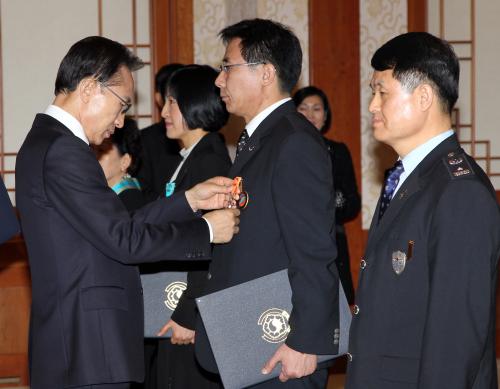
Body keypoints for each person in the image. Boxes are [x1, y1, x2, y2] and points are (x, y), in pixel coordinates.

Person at [15, 36, 240, 389]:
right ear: (90, 88)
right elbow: (124, 240)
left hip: (79, 344)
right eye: (121, 106)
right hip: (87, 346)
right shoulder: (64, 150)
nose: (120, 123)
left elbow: (115, 227)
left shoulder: (47, 141)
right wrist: (207, 231)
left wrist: (188, 201)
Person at [345, 32, 500, 389]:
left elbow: (454, 340)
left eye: (382, 92)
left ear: (424, 97)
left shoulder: (459, 192)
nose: (372, 105)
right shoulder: (409, 176)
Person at [194, 19, 339, 388]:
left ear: (265, 73)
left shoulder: (294, 142)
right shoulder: (261, 138)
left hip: (281, 346)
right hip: (250, 336)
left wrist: (304, 341)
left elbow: (314, 251)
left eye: (228, 67)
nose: (219, 79)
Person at [153, 64, 231, 388]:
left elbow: (213, 242)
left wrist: (188, 313)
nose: (163, 113)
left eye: (172, 103)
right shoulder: (191, 156)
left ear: (195, 104)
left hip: (193, 312)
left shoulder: (208, 160)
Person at [293, 86, 360, 305]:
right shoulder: (284, 149)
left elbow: (352, 203)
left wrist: (323, 201)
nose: (310, 115)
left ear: (326, 115)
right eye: (303, 108)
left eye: (317, 109)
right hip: (291, 241)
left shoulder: (338, 151)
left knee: (333, 312)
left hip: (330, 239)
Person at [136, 63, 184, 201]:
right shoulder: (144, 139)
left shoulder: (207, 142)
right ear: (159, 98)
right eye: (170, 99)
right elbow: (141, 190)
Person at [94, 117, 146, 212]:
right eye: (92, 149)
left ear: (125, 161)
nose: (94, 156)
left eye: (101, 150)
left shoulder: (130, 201)